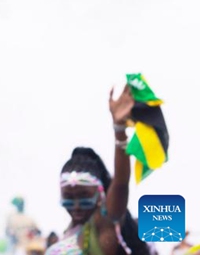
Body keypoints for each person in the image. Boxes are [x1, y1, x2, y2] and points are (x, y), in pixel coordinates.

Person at [45, 84, 150, 255]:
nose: (77, 206)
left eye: (84, 196)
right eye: (69, 198)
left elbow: (121, 182)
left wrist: (119, 129)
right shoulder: (66, 236)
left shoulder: (102, 227)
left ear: (101, 195)